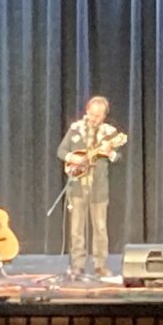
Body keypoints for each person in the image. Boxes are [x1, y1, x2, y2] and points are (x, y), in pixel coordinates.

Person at [57, 96, 125, 278]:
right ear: (87, 111)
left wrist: (110, 152)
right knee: (77, 229)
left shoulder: (110, 133)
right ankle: (77, 266)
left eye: (98, 115)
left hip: (99, 188)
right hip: (78, 187)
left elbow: (118, 157)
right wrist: (73, 158)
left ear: (104, 116)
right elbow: (61, 151)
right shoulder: (75, 129)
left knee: (100, 229)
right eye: (92, 114)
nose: (94, 118)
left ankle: (100, 265)